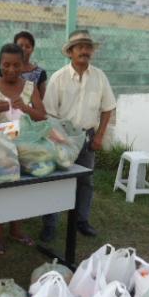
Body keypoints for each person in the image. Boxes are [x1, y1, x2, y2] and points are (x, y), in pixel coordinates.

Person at [40, 30, 116, 242]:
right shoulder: (58, 78)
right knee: (56, 181)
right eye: (80, 47)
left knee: (85, 181)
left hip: (88, 137)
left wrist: (100, 135)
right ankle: (50, 224)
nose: (85, 51)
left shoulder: (99, 77)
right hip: (61, 136)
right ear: (70, 52)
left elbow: (108, 107)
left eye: (88, 47)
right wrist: (59, 139)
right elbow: (49, 113)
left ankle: (81, 220)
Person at [0, 44, 46, 254]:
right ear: (0, 64)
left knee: (21, 191)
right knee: (0, 192)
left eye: (17, 65)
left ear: (23, 65)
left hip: (25, 148)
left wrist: (26, 108)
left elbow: (42, 116)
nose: (11, 70)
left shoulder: (30, 87)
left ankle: (16, 228)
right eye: (6, 65)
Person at [14, 31, 47, 97]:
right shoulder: (5, 71)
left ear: (32, 49)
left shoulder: (40, 73)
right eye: (20, 46)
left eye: (27, 46)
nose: (23, 49)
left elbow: (43, 99)